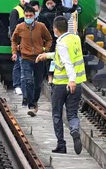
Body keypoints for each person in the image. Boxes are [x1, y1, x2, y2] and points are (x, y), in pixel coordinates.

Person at [36, 16, 86, 155]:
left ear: (55, 29)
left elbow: (67, 62)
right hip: (77, 84)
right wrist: (46, 55)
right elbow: (63, 56)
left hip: (61, 85)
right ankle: (74, 129)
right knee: (72, 113)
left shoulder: (62, 43)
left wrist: (71, 80)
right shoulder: (75, 39)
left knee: (57, 114)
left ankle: (61, 144)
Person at [11, 5, 52, 116]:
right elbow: (14, 39)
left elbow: (49, 39)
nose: (28, 17)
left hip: (39, 58)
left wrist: (45, 49)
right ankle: (31, 104)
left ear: (34, 16)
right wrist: (14, 52)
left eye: (31, 15)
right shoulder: (20, 27)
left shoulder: (41, 26)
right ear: (24, 15)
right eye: (27, 15)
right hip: (25, 58)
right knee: (28, 80)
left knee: (38, 84)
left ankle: (35, 100)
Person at [9, 0, 31, 96]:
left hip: (28, 42)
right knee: (18, 64)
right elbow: (13, 29)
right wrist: (16, 43)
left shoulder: (30, 10)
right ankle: (17, 85)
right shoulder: (16, 11)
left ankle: (25, 85)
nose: (25, 0)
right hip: (19, 42)